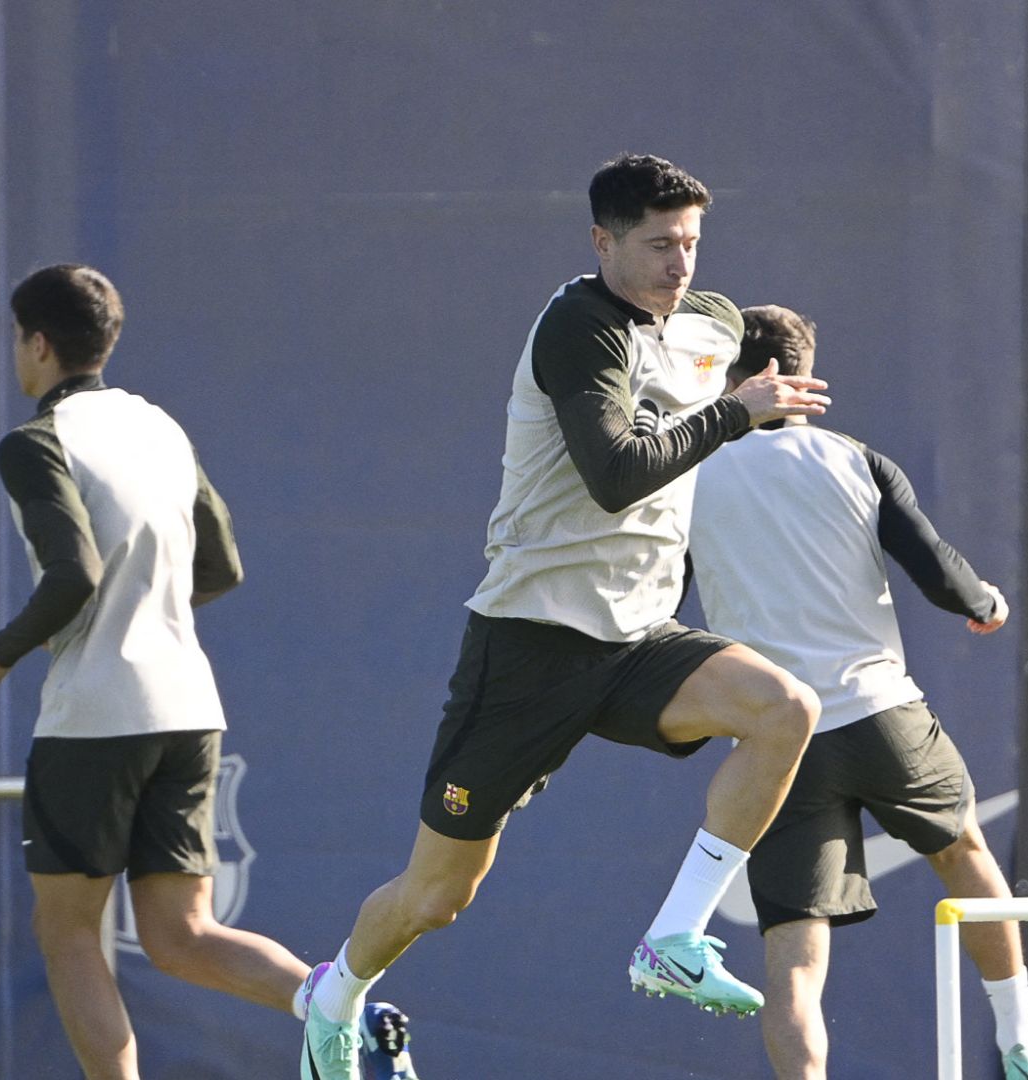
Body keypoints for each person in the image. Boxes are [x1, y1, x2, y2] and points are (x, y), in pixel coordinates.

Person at [299, 154, 831, 1080]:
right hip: (530, 644)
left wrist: (775, 392)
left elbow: (739, 370)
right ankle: (332, 996)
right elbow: (618, 473)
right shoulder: (578, 326)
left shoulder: (707, 321)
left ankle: (674, 936)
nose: (681, 264)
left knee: (785, 708)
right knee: (436, 897)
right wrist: (739, 417)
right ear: (603, 240)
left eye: (693, 243)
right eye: (659, 244)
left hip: (637, 638)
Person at [0, 264, 416, 1080]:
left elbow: (73, 576)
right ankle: (333, 1002)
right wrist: (150, 609)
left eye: (16, 342)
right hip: (188, 710)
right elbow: (224, 565)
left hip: (95, 717)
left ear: (36, 344)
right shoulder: (157, 427)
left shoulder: (33, 443)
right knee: (180, 935)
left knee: (66, 932)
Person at [689, 305, 1028, 1079]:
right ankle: (1021, 1038)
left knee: (793, 958)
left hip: (779, 745)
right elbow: (938, 570)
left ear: (740, 377)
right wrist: (985, 603)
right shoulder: (853, 459)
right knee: (965, 854)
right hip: (884, 718)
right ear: (799, 374)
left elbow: (655, 603)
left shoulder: (687, 477)